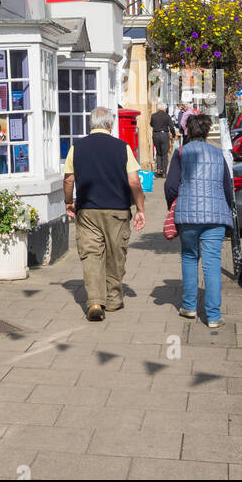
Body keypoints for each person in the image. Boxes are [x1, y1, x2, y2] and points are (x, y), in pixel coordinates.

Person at [63, 106, 146, 322]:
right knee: (115, 254)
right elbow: (134, 181)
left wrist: (68, 201)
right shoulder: (123, 147)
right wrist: (140, 209)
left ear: (91, 124)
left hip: (88, 210)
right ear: (111, 124)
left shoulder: (77, 147)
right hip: (117, 210)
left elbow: (69, 179)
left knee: (91, 255)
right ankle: (114, 299)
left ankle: (94, 302)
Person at [164, 112, 234, 330]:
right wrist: (227, 207)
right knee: (212, 263)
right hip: (215, 216)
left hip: (187, 215)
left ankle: (189, 306)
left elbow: (171, 186)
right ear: (206, 131)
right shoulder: (218, 153)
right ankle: (213, 316)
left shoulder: (181, 152)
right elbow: (227, 186)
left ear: (187, 131)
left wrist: (173, 206)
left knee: (189, 257)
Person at [150, 105, 177, 177]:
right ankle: (164, 173)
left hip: (155, 135)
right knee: (164, 154)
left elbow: (151, 124)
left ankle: (158, 169)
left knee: (158, 153)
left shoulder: (153, 115)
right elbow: (171, 127)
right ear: (164, 109)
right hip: (164, 135)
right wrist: (174, 135)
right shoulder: (167, 116)